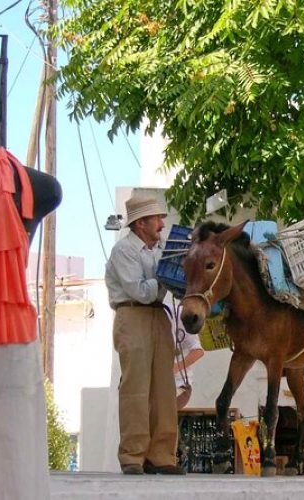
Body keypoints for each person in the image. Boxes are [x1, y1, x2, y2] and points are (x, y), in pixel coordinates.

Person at [0, 122, 61, 500]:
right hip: (9, 340)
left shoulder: (38, 186)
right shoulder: (37, 186)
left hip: (7, 338)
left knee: (16, 450)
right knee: (17, 451)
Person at [105, 193, 185, 475]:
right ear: (140, 223)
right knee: (136, 388)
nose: (162, 224)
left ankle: (162, 456)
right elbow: (139, 290)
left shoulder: (159, 248)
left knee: (164, 387)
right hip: (133, 315)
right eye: (157, 218)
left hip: (157, 315)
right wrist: (166, 276)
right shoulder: (124, 251)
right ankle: (132, 456)